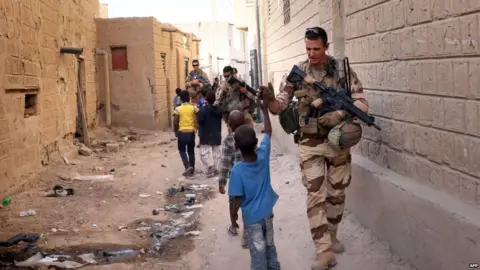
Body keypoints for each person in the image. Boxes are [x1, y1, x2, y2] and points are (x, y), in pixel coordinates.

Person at [259, 26, 369, 270]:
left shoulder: (341, 70)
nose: (311, 53)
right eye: (308, 49)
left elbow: (361, 102)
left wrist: (340, 113)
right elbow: (280, 107)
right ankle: (324, 251)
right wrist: (269, 101)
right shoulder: (297, 74)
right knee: (315, 195)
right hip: (310, 143)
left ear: (326, 47)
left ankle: (331, 233)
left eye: (316, 49)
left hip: (337, 142)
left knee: (337, 194)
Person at [228, 94, 280, 270]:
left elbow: (236, 200)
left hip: (252, 219)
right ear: (256, 142)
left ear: (236, 146)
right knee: (270, 246)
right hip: (268, 212)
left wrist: (233, 217)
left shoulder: (237, 171)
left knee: (257, 253)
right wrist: (264, 109)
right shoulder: (263, 155)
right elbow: (269, 132)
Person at [218, 110, 248, 247]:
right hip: (249, 177)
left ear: (229, 124)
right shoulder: (249, 135)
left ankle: (234, 226)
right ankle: (247, 234)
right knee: (248, 205)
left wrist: (222, 182)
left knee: (233, 202)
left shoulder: (228, 140)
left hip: (236, 180)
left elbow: (224, 163)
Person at [173, 90, 199, 177]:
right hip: (191, 132)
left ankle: (187, 166)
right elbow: (199, 115)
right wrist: (196, 127)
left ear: (180, 99)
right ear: (189, 98)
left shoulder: (178, 109)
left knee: (181, 150)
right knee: (191, 151)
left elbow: (175, 122)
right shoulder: (193, 108)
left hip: (182, 133)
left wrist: (176, 132)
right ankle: (192, 169)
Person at [197, 91, 223, 177]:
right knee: (217, 154)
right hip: (216, 133)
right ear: (214, 99)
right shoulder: (219, 109)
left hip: (205, 134)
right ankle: (217, 169)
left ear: (206, 99)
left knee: (204, 154)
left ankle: (210, 166)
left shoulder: (202, 110)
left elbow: (200, 121)